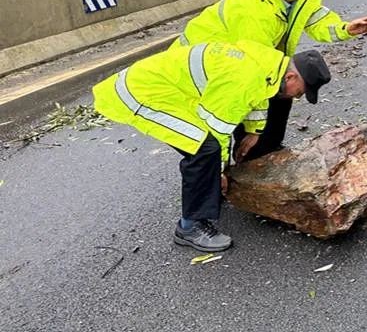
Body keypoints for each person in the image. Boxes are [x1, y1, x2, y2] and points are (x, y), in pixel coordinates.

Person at [93, 41, 332, 252]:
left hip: (171, 90)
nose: (296, 97)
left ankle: (205, 193)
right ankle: (190, 226)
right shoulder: (243, 78)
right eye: (299, 92)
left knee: (207, 148)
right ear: (291, 77)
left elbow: (260, 94)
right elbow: (217, 129)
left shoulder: (269, 64)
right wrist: (218, 172)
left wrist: (254, 131)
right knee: (203, 148)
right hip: (143, 93)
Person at [173, 0, 367, 161]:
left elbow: (316, 20)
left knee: (283, 92)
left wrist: (345, 29)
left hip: (249, 64)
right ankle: (246, 163)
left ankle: (267, 153)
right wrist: (254, 130)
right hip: (197, 70)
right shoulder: (253, 14)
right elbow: (254, 78)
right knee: (220, 128)